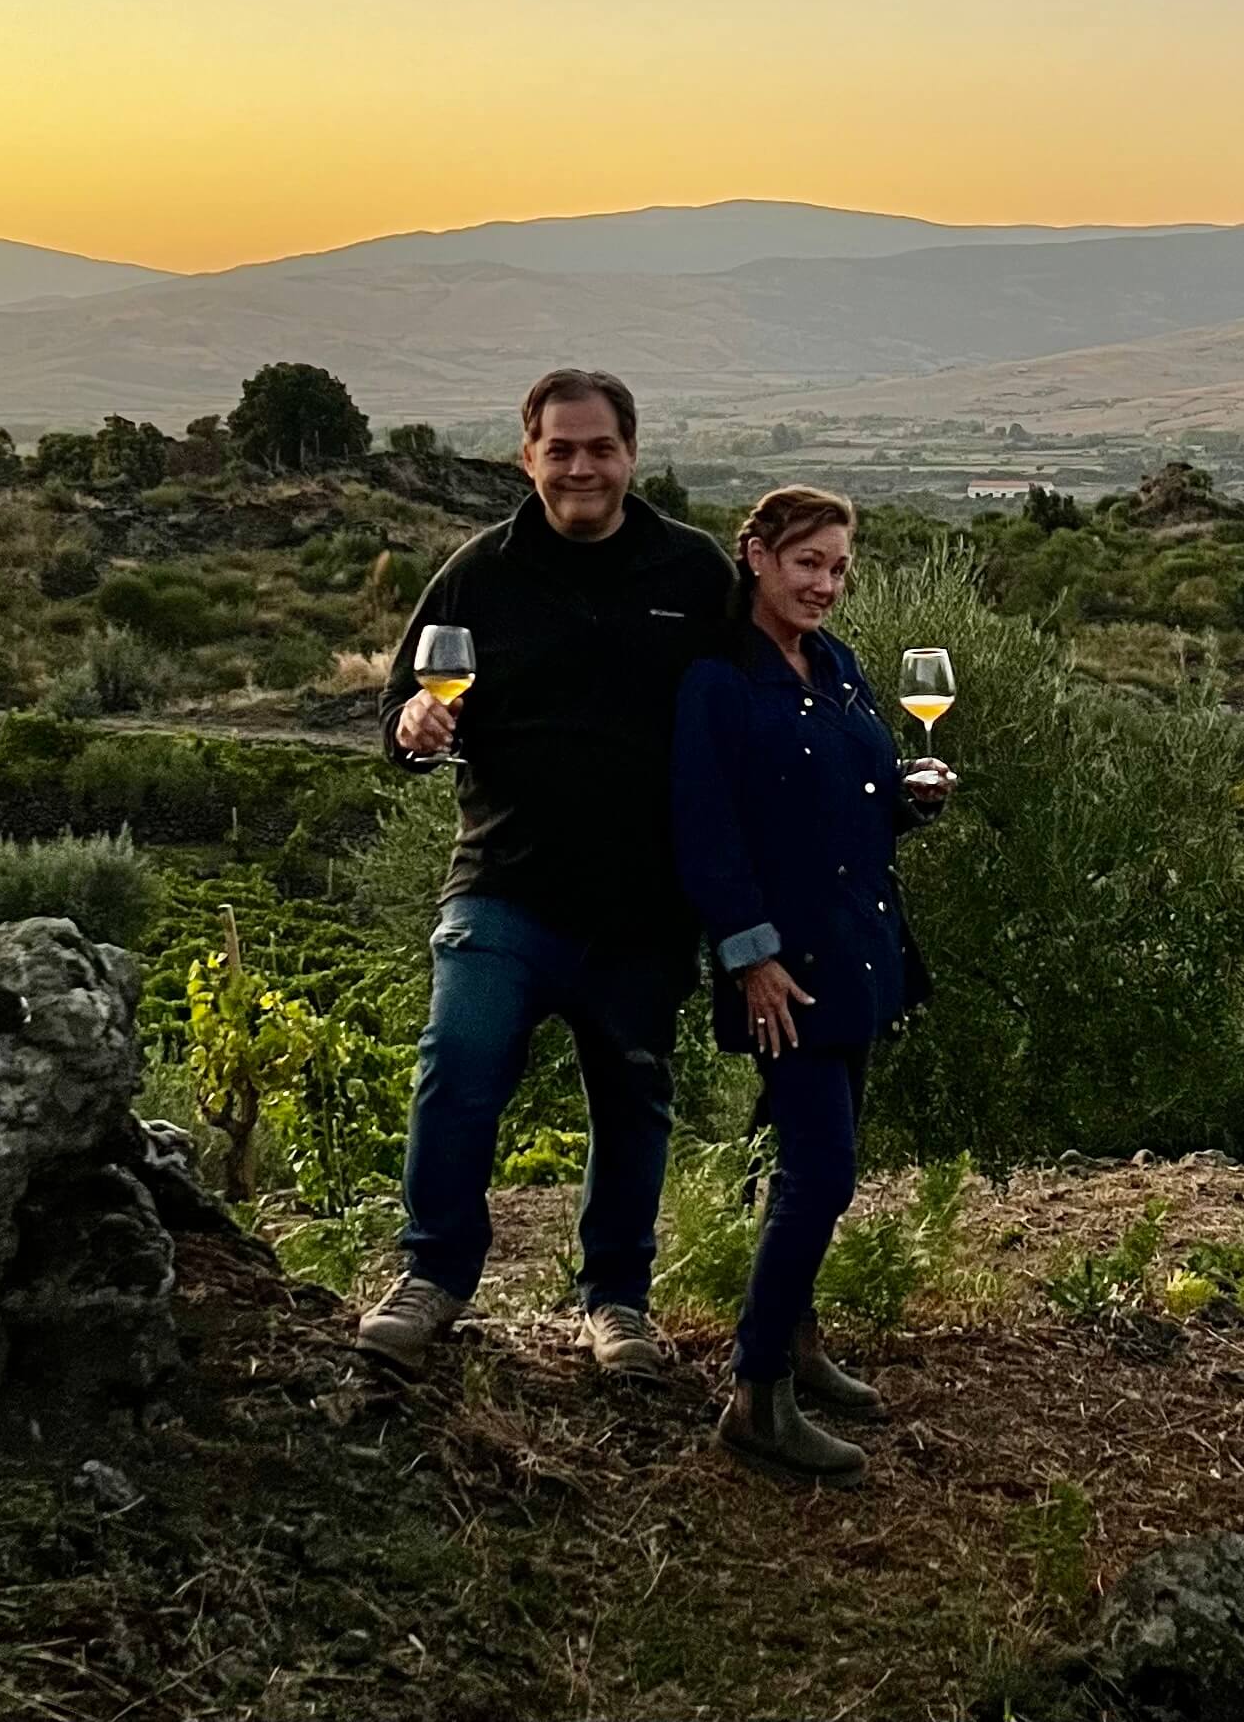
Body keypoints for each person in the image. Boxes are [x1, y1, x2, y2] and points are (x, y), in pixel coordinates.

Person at [357, 368, 735, 1379]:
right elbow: (395, 714)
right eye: (558, 448)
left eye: (597, 446)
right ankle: (433, 1275)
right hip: (504, 880)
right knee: (457, 1064)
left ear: (630, 454)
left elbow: (761, 696)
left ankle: (615, 1303)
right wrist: (411, 721)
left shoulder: (692, 572)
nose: (579, 465)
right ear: (527, 456)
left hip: (643, 901)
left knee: (631, 1100)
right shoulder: (477, 573)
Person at [671, 486, 952, 1483]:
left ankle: (794, 1340)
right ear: (754, 554)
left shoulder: (835, 667)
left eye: (838, 566)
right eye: (807, 563)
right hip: (781, 973)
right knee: (820, 1170)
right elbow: (704, 834)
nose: (824, 583)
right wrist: (748, 955)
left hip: (859, 955)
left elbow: (851, 807)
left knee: (819, 1163)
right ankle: (753, 1396)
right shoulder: (716, 682)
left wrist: (911, 804)